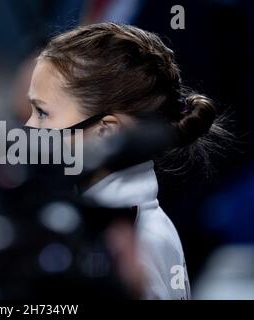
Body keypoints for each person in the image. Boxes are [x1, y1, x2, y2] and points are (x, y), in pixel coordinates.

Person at [25, 22, 228, 299]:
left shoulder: (138, 242)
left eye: (42, 113)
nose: (28, 125)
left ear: (105, 131)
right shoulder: (77, 210)